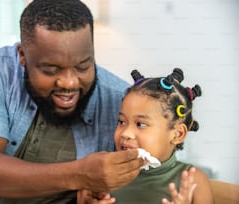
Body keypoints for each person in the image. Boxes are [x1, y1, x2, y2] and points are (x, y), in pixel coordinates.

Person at [0, 0, 144, 203]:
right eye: (51, 69)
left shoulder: (120, 98)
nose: (69, 82)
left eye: (83, 67)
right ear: (22, 56)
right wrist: (79, 174)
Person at [78, 68, 214, 204]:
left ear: (177, 134)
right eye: (122, 122)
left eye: (141, 124)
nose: (125, 133)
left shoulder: (193, 182)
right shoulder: (103, 175)